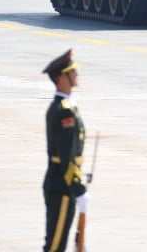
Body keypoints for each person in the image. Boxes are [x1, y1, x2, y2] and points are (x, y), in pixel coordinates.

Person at [42, 49, 87, 252]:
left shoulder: (65, 106)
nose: (76, 75)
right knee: (55, 245)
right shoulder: (64, 111)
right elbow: (67, 153)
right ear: (62, 78)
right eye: (72, 72)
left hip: (60, 180)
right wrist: (77, 187)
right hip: (62, 183)